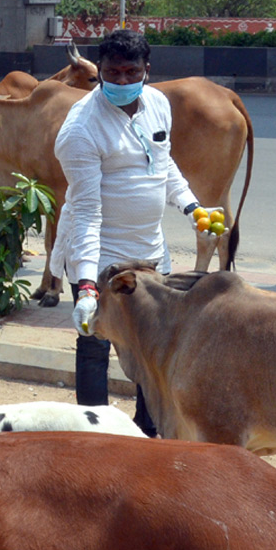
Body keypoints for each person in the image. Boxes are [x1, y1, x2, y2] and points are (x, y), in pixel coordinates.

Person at [51, 29, 216, 436]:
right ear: (100, 72)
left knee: (151, 344)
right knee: (95, 347)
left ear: (147, 70)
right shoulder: (80, 131)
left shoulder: (157, 103)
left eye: (131, 72)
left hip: (151, 251)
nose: (122, 82)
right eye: (112, 73)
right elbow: (87, 212)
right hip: (101, 253)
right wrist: (88, 284)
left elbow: (163, 164)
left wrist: (192, 206)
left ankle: (147, 431)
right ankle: (96, 436)